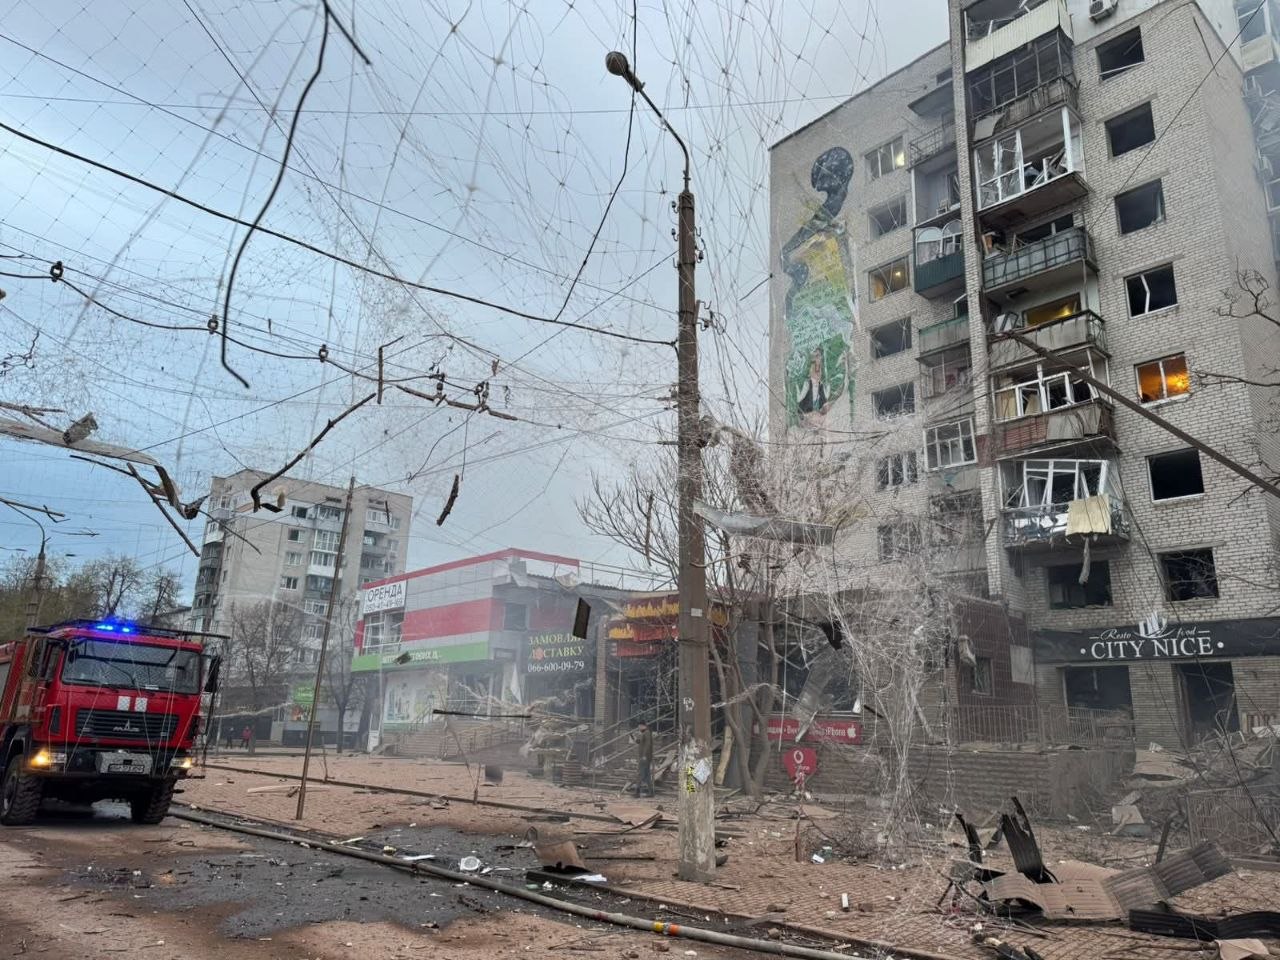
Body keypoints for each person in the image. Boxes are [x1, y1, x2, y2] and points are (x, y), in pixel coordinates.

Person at [632, 722, 653, 797]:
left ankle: (637, 792)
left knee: (640, 773)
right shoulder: (645, 733)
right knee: (647, 775)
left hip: (644, 757)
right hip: (645, 757)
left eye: (639, 727)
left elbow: (648, 744)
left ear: (643, 726)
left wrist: (644, 755)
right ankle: (651, 792)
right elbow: (641, 742)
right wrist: (636, 739)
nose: (639, 728)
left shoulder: (647, 732)